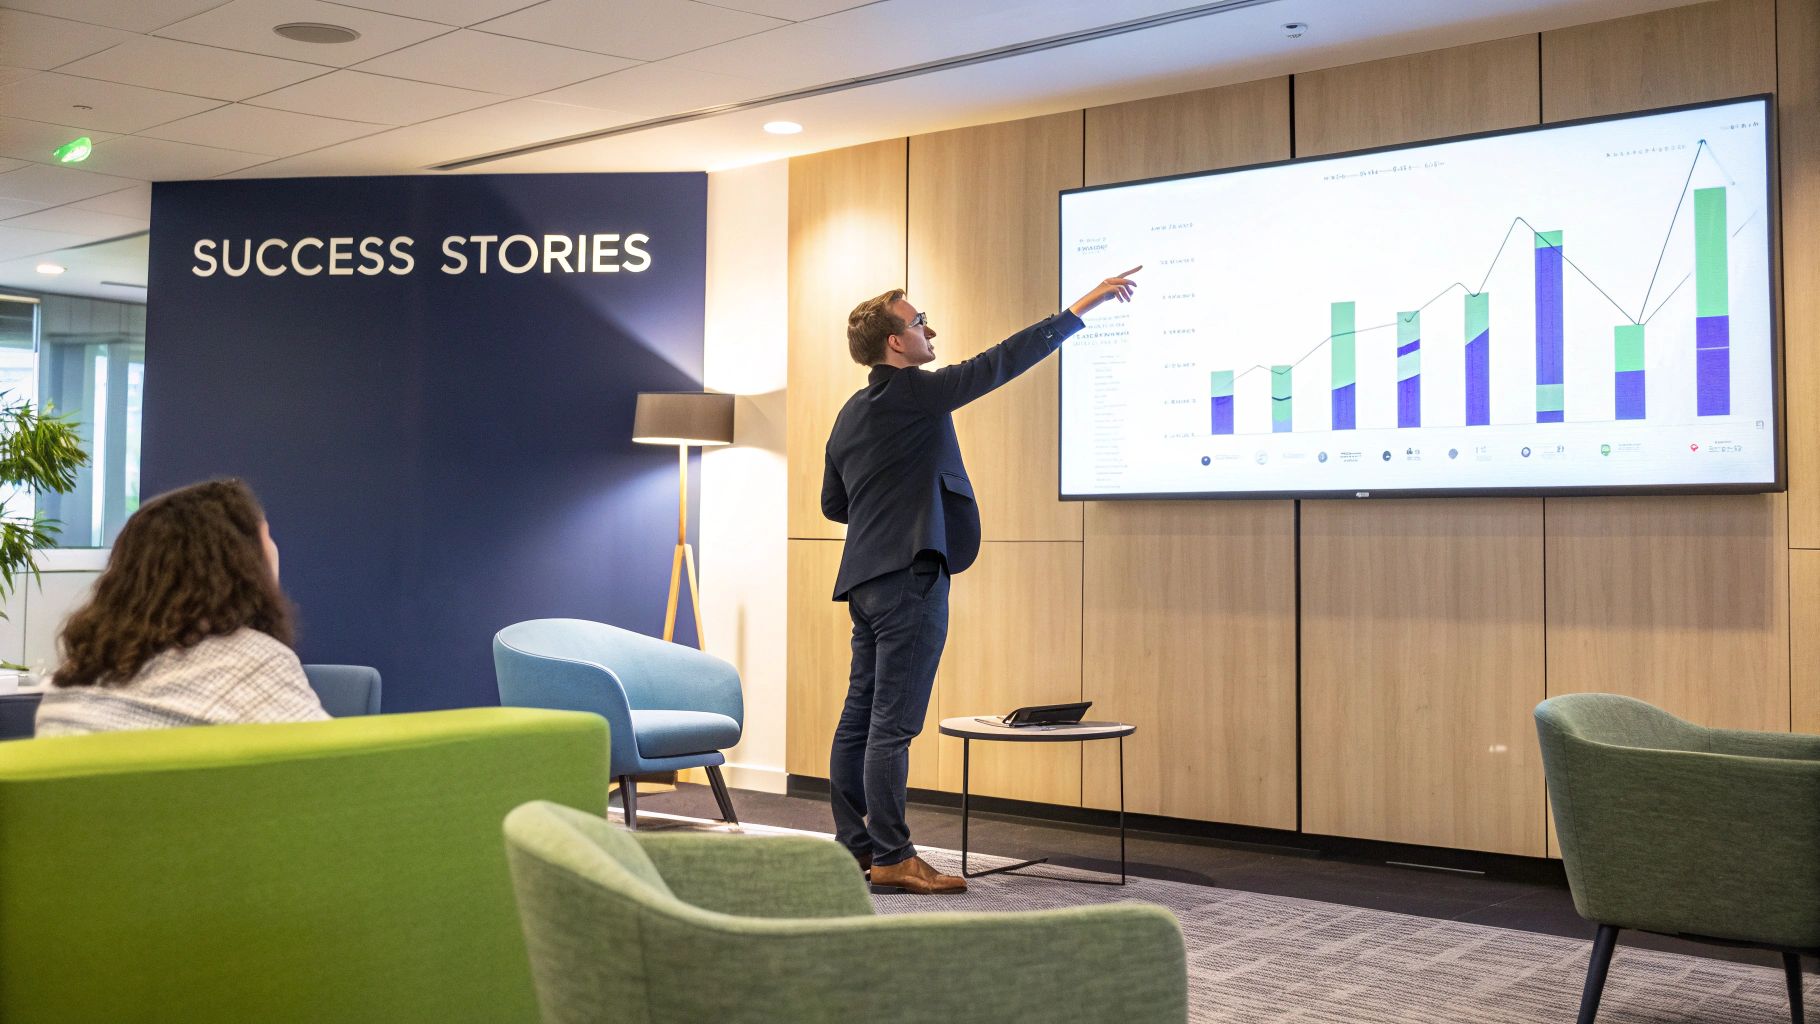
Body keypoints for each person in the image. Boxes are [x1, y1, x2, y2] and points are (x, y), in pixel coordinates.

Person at [823, 268, 1140, 894]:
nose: (928, 328)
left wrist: (890, 501)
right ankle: (893, 854)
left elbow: (836, 505)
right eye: (917, 322)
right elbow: (1000, 363)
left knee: (860, 715)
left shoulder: (850, 413)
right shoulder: (912, 393)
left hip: (864, 581)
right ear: (894, 344)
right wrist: (1084, 305)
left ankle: (856, 850)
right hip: (911, 577)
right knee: (892, 724)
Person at [34, 478, 328, 736]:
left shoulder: (70, 683)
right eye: (267, 538)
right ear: (244, 567)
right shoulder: (254, 662)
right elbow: (336, 772)